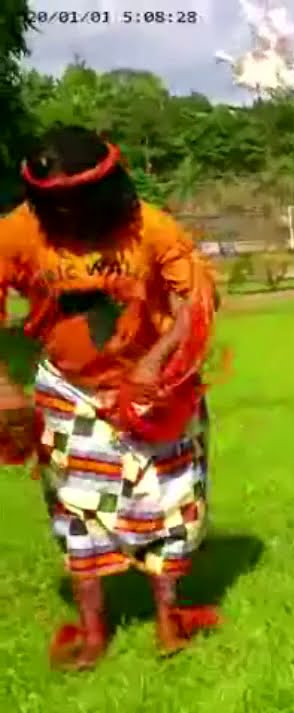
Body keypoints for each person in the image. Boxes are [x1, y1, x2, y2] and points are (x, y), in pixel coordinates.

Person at [0, 125, 220, 669]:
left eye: (77, 201)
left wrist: (155, 358)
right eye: (55, 204)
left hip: (155, 392)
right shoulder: (19, 231)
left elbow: (197, 297)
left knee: (172, 503)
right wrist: (4, 387)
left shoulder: (149, 225)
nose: (68, 214)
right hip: (70, 393)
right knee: (77, 512)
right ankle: (95, 633)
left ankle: (169, 619)